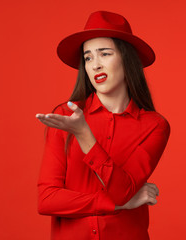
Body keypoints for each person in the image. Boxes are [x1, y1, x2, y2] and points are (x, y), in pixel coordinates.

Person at [36, 11, 170, 240]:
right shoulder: (64, 116)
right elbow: (47, 200)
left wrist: (84, 134)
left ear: (127, 59)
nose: (95, 65)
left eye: (104, 54)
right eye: (88, 58)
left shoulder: (154, 126)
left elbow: (122, 191)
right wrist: (117, 206)